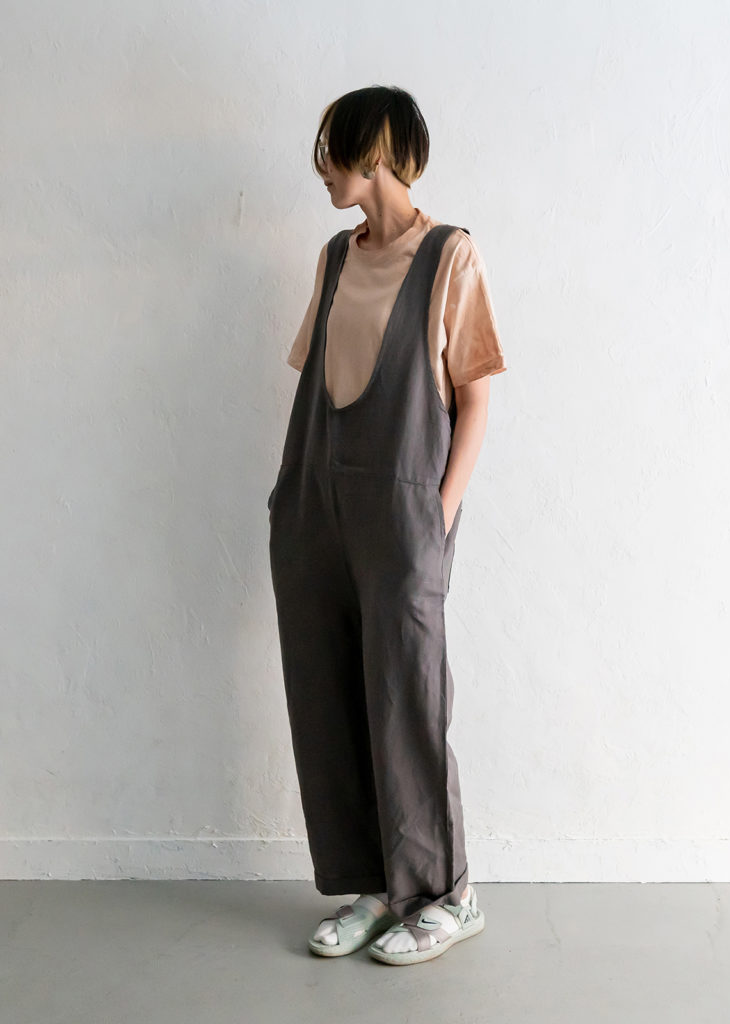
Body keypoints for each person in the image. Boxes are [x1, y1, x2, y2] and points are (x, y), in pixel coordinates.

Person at [267, 85, 507, 966]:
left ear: (374, 153)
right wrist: (294, 500)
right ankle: (380, 886)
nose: (322, 169)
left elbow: (475, 396)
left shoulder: (451, 256)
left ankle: (449, 892)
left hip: (404, 509)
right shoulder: (335, 257)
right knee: (329, 695)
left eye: (331, 152)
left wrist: (436, 516)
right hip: (317, 504)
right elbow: (317, 381)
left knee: (408, 699)